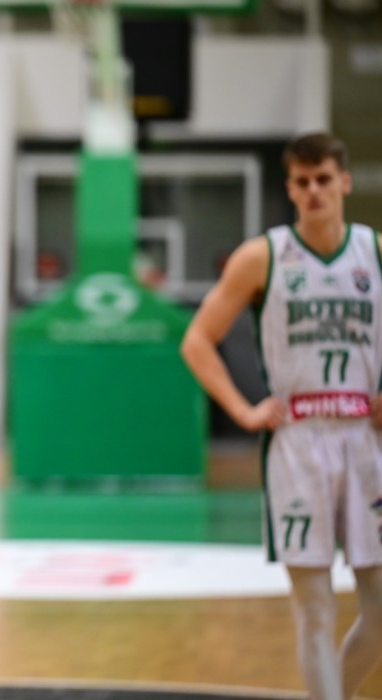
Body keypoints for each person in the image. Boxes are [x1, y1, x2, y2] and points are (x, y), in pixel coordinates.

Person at [181, 132, 382, 700]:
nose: (314, 190)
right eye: (302, 181)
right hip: (298, 441)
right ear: (290, 188)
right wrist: (244, 409)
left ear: (344, 182)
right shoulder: (263, 256)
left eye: (324, 179)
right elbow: (197, 340)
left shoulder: (373, 251)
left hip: (366, 440)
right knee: (315, 608)